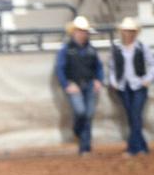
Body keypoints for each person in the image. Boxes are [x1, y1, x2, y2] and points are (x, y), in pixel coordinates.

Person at [55, 16, 105, 155]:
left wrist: (98, 80)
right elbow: (60, 69)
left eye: (84, 31)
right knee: (81, 111)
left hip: (89, 84)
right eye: (80, 31)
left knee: (88, 114)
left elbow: (98, 67)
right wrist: (67, 84)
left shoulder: (91, 49)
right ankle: (78, 131)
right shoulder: (66, 49)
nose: (82, 33)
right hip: (74, 85)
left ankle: (85, 146)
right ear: (74, 32)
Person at [109, 17, 152, 156]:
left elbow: (152, 64)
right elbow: (112, 67)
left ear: (135, 33)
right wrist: (114, 81)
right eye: (126, 31)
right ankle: (142, 147)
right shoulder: (116, 48)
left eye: (131, 31)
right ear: (122, 32)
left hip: (139, 86)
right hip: (124, 86)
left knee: (135, 115)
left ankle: (132, 148)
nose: (128, 34)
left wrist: (148, 79)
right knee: (132, 116)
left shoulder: (142, 47)